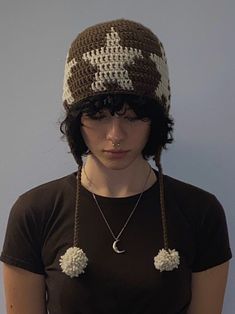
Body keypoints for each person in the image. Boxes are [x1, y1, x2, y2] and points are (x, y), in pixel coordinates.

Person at [0, 19, 232, 314]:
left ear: (156, 122)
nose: (115, 135)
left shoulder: (200, 212)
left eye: (132, 117)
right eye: (98, 117)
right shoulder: (35, 212)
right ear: (76, 122)